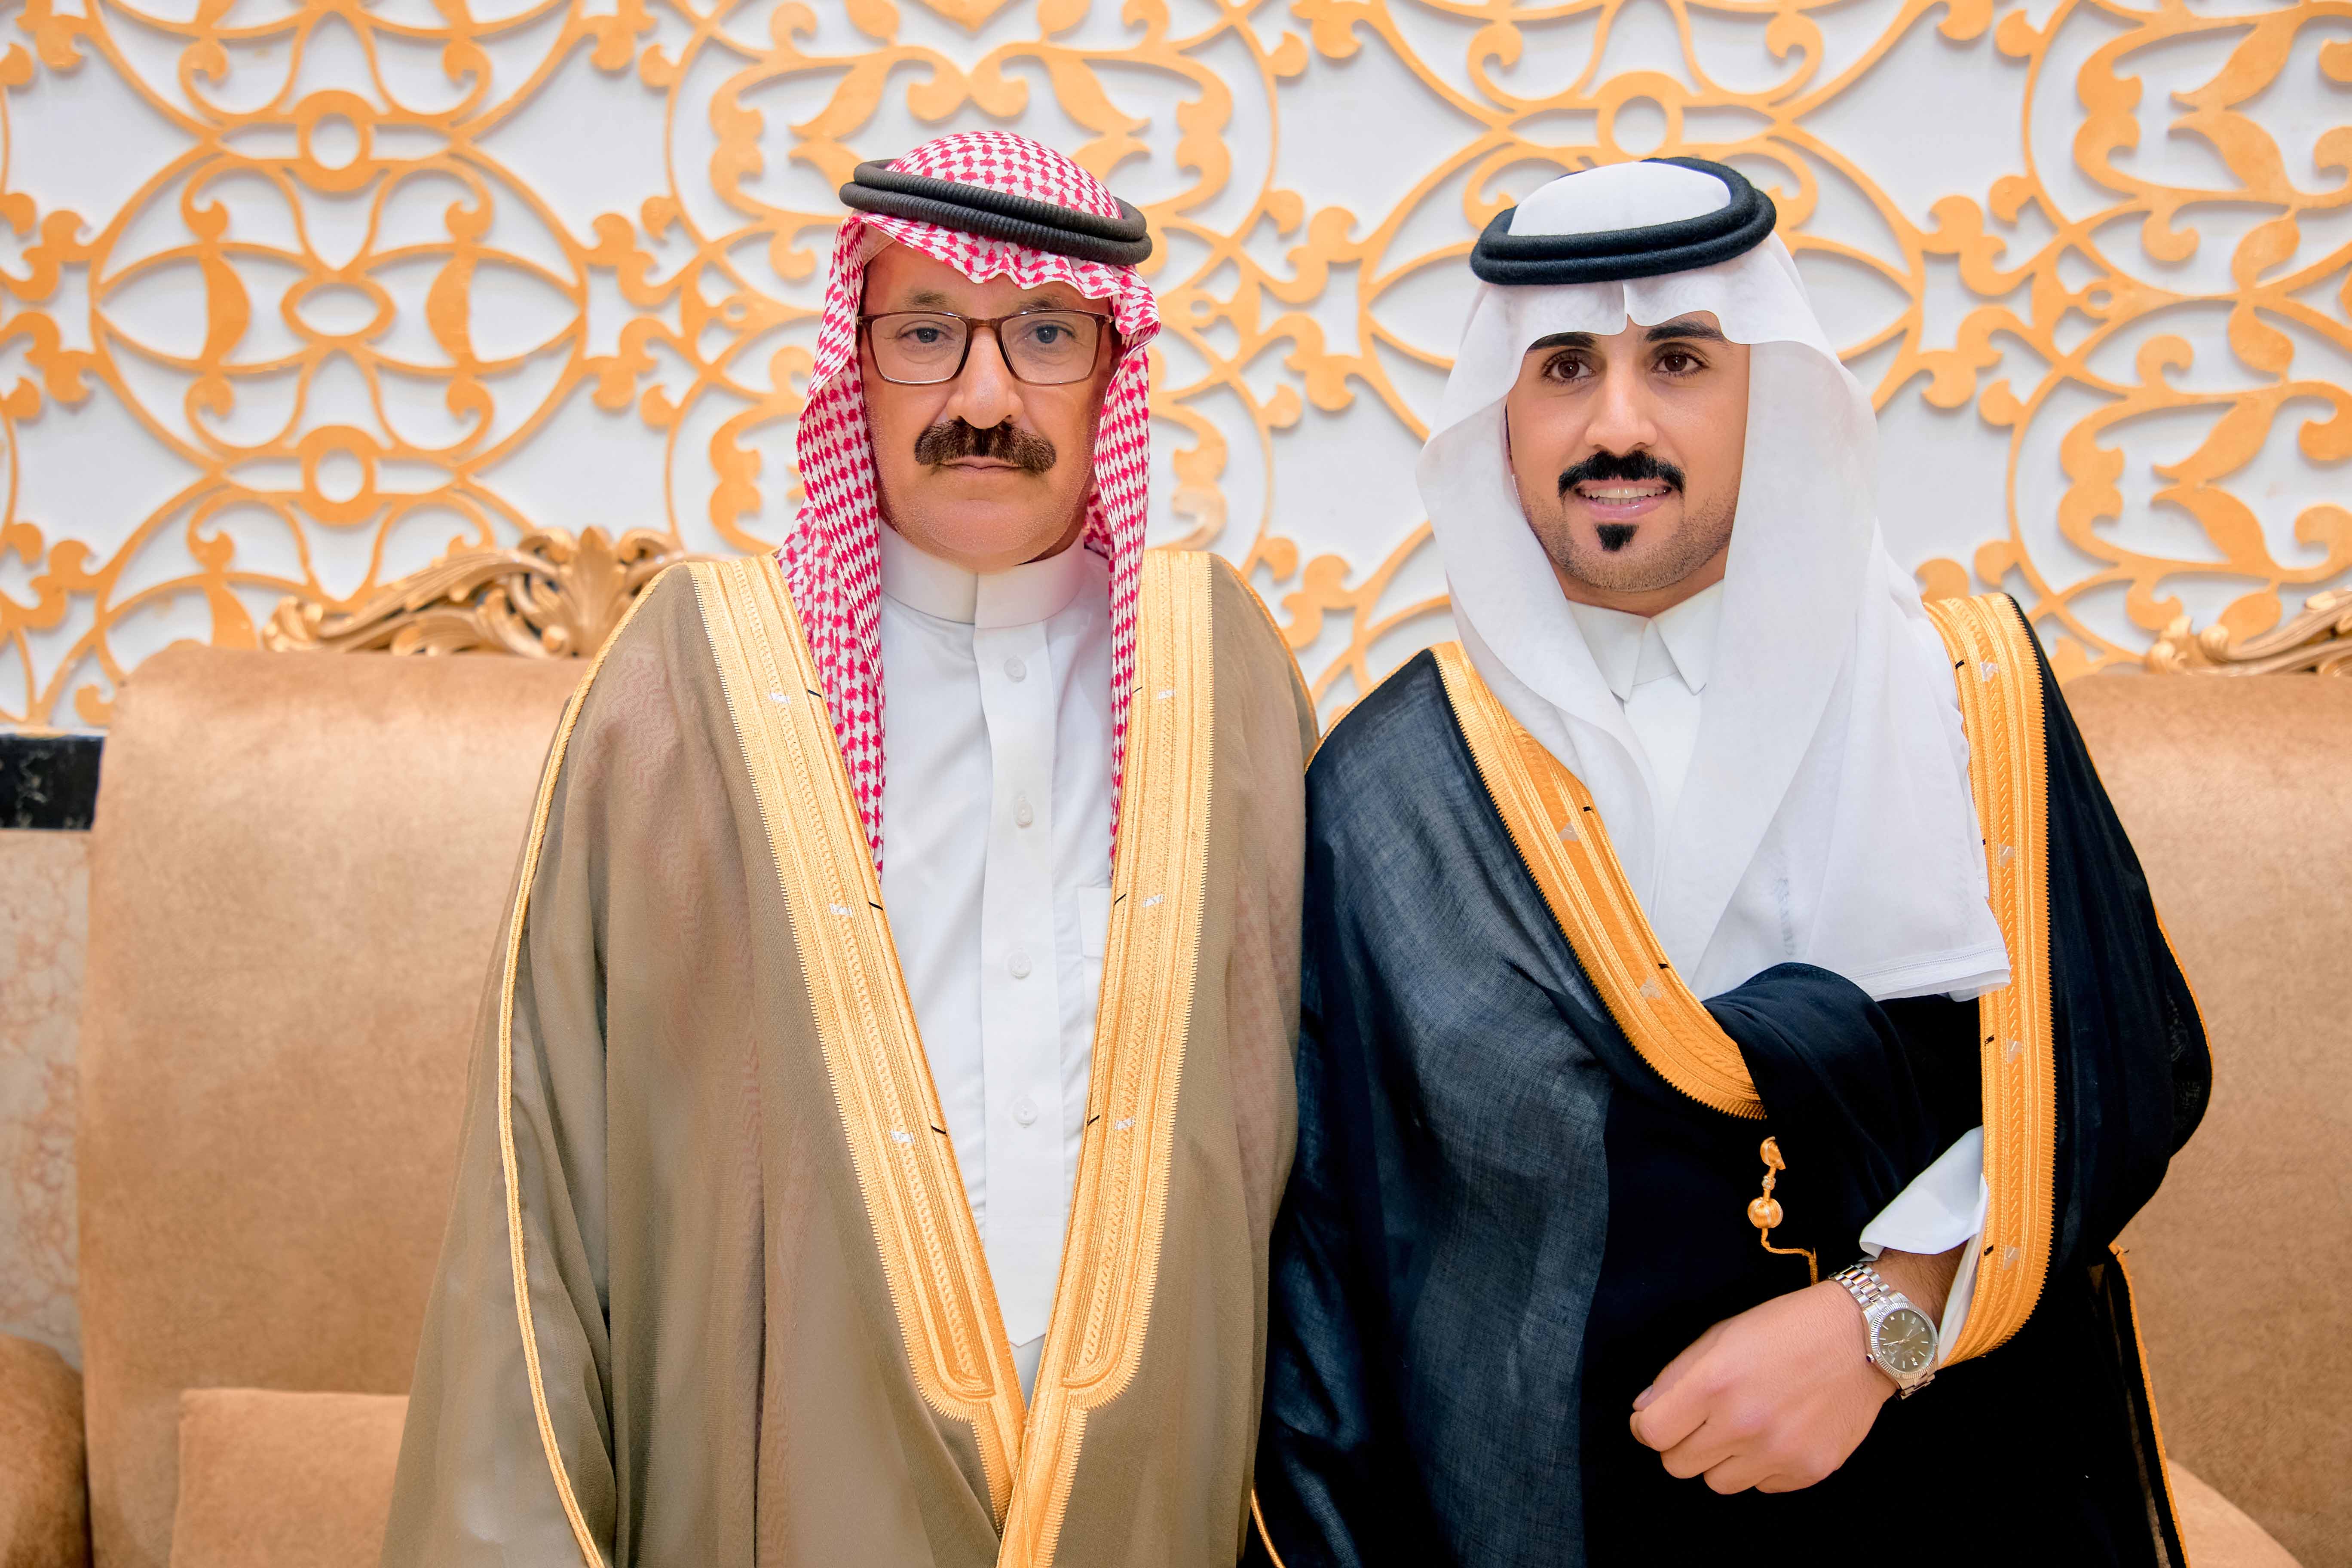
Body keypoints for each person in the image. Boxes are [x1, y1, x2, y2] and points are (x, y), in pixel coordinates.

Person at [1247, 157, 2208, 1566]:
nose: (1617, 425)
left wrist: (1885, 1321)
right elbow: (1330, 1262)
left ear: (1770, 391)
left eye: (1681, 361)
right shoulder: (1397, 787)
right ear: (1500, 419)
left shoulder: (1969, 702)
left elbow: (2125, 1071)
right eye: (1564, 368)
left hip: (1952, 1503)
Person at [381, 132, 1317, 1567]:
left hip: (1152, 1504)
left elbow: (1330, 1166)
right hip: (789, 1491)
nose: (984, 400)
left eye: (1045, 336)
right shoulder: (691, 684)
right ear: (855, 364)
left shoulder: (1220, 671)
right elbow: (543, 1186)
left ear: (1113, 370)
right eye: (925, 334)